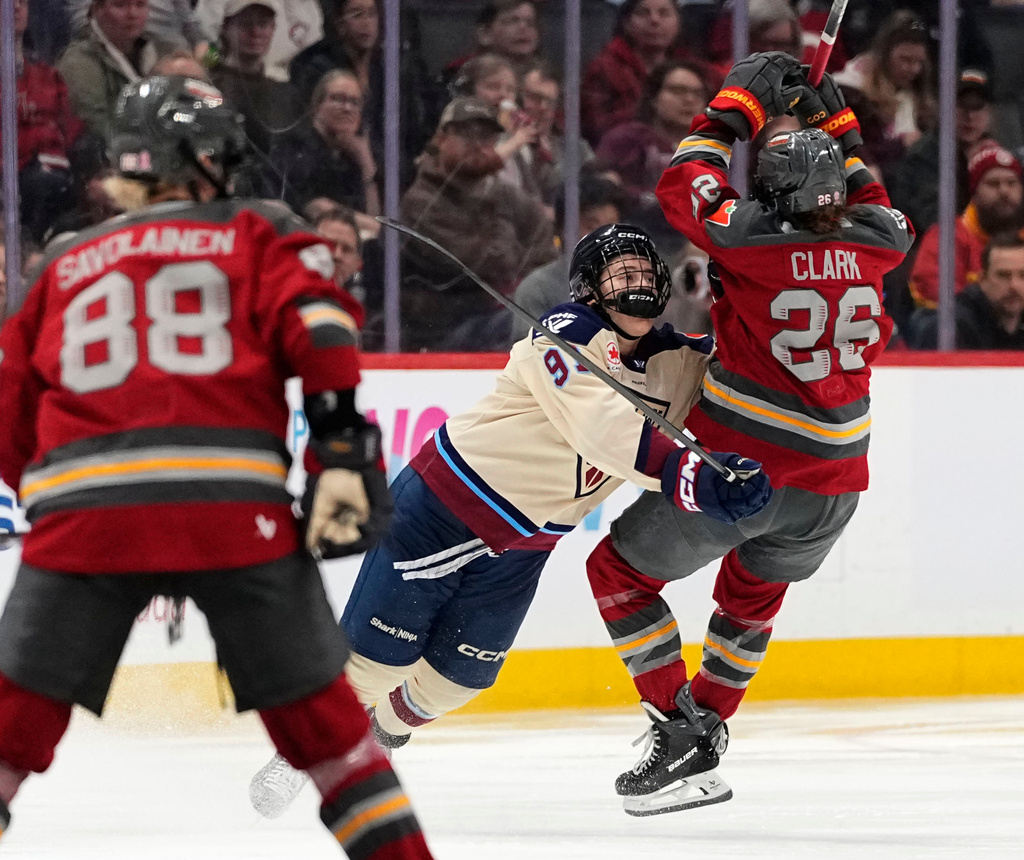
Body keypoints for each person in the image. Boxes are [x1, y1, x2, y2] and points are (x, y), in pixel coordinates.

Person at [0, 75, 434, 860]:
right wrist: (337, 443)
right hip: (232, 506)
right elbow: (323, 322)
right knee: (331, 737)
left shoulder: (65, 259)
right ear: (190, 155)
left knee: (8, 729)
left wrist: (58, 501)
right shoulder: (253, 228)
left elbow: (9, 410)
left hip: (83, 510)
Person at [248, 222, 773, 818]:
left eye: (645, 272)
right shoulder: (562, 334)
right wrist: (696, 479)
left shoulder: (679, 361)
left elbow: (746, 369)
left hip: (528, 542)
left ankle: (381, 737)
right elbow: (604, 433)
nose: (637, 283)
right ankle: (296, 756)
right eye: (620, 273)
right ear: (589, 288)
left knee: (457, 683)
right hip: (445, 507)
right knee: (374, 664)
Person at [583, 54, 914, 816]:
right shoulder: (881, 238)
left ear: (772, 194)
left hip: (746, 473)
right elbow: (869, 188)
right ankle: (705, 737)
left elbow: (686, 178)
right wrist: (835, 119)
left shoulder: (753, 238)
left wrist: (740, 104)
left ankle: (677, 727)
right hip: (835, 489)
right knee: (748, 604)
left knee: (619, 575)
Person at [398, 96, 556, 351]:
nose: (479, 145)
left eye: (487, 137)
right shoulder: (421, 202)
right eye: (467, 136)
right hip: (444, 333)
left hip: (500, 317)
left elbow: (544, 254)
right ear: (441, 139)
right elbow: (487, 263)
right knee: (533, 324)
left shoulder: (507, 194)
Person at [7, 0, 86, 244]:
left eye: (20, 1)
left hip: (59, 187)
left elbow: (73, 133)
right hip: (16, 197)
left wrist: (95, 177)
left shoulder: (47, 75)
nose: (15, 8)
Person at [908, 143, 1023, 309]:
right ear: (974, 193)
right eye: (993, 184)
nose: (1004, 191)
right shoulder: (947, 236)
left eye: (1011, 183)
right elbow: (932, 287)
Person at [266, 70, 380, 233]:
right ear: (317, 105)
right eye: (338, 99)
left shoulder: (353, 156)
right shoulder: (296, 147)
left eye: (355, 102)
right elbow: (317, 208)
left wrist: (365, 161)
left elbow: (373, 215)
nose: (347, 108)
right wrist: (380, 228)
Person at [56, 0, 175, 143]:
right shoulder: (78, 62)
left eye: (140, 5)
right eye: (120, 5)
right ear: (97, 10)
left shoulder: (164, 51)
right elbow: (94, 128)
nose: (132, 14)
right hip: (109, 158)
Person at [209, 0, 302, 158]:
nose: (255, 32)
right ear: (225, 28)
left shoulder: (285, 92)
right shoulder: (209, 85)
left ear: (273, 29)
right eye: (245, 24)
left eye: (263, 24)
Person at [907, 231, 1024, 349]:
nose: (1014, 285)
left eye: (1023, 275)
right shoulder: (952, 328)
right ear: (983, 279)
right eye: (1003, 275)